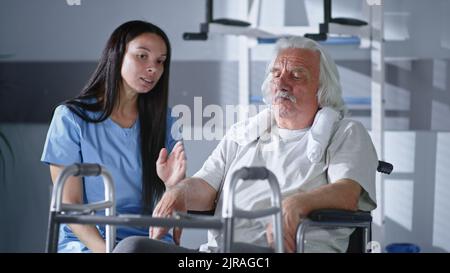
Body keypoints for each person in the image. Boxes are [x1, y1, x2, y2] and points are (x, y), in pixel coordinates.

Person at [113, 36, 378, 253]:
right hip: (222, 255)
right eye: (276, 73)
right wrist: (178, 191)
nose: (281, 82)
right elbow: (206, 187)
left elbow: (347, 193)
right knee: (132, 248)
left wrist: (295, 204)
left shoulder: (345, 132)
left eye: (296, 75)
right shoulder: (245, 132)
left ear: (322, 90)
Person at [41, 20, 186, 253]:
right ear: (117, 55)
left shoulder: (166, 121)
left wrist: (173, 187)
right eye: (142, 56)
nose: (153, 68)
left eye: (160, 62)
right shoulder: (70, 118)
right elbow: (69, 206)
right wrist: (108, 251)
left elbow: (174, 204)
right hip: (89, 243)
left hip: (147, 240)